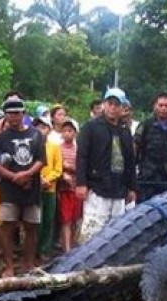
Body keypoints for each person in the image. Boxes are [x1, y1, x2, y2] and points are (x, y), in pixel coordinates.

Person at [0, 97, 45, 277]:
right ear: (5, 116)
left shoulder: (36, 134)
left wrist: (27, 174)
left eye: (17, 113)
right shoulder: (1, 138)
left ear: (23, 113)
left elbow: (40, 160)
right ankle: (9, 265)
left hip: (32, 187)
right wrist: (14, 177)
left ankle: (28, 263)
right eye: (10, 114)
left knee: (31, 226)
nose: (14, 117)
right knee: (7, 226)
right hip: (9, 188)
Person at [76, 87, 137, 243]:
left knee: (115, 234)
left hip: (119, 188)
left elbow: (130, 161)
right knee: (92, 232)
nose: (112, 107)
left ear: (123, 108)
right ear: (104, 104)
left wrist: (132, 187)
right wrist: (81, 183)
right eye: (109, 103)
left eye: (116, 105)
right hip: (97, 187)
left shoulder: (125, 132)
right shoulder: (91, 127)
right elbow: (82, 156)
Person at [134, 92, 167, 201]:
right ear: (155, 106)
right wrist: (133, 167)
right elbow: (135, 146)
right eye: (160, 105)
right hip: (147, 176)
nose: (163, 108)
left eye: (166, 106)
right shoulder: (146, 124)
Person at [34, 116, 62, 260]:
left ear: (49, 129)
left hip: (50, 188)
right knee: (34, 219)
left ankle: (45, 249)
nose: (41, 130)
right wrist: (38, 179)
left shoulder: (54, 147)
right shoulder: (32, 145)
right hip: (34, 187)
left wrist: (48, 179)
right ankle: (33, 248)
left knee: (48, 219)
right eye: (38, 127)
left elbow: (58, 168)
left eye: (44, 127)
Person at [58, 117, 81, 252]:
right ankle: (66, 248)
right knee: (65, 219)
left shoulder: (79, 149)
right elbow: (55, 165)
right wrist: (63, 170)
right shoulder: (58, 148)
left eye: (70, 131)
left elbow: (82, 166)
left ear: (75, 133)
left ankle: (72, 246)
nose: (67, 133)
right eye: (65, 130)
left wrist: (71, 168)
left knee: (75, 218)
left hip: (76, 188)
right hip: (64, 189)